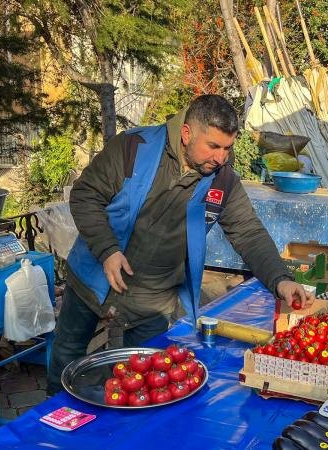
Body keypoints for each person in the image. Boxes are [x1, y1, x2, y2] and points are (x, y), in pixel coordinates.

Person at [48, 94, 314, 394]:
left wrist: (281, 281)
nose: (220, 158)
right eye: (212, 146)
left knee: (145, 385)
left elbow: (249, 233)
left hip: (153, 301)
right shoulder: (133, 148)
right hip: (94, 281)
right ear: (187, 133)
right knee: (66, 361)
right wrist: (108, 250)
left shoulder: (222, 180)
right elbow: (85, 195)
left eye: (228, 148)